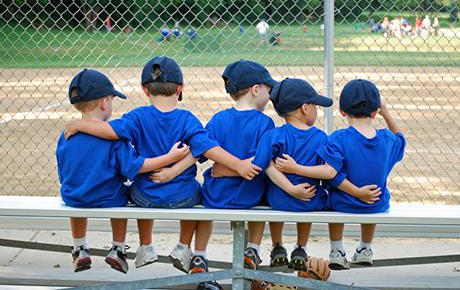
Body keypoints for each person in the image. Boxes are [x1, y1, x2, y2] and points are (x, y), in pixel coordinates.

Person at [63, 57, 260, 285]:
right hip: (182, 198)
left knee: (137, 187)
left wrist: (77, 124)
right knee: (198, 190)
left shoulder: (137, 116)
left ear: (145, 90)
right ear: (180, 89)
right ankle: (183, 247)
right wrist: (238, 165)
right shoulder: (187, 119)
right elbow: (206, 147)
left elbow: (109, 131)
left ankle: (145, 246)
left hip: (144, 198)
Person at [57, 69, 190, 274]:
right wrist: (170, 159)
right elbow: (134, 167)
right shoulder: (114, 139)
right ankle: (118, 248)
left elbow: (64, 171)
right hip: (107, 198)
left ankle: (80, 247)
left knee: (77, 192)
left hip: (73, 196)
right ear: (103, 103)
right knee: (123, 192)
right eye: (111, 100)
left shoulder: (66, 134)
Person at [275, 79, 405, 270]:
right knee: (375, 193)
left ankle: (337, 250)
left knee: (331, 199)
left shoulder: (338, 138)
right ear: (375, 111)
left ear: (342, 112)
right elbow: (401, 139)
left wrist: (356, 193)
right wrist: (386, 113)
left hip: (343, 204)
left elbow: (332, 175)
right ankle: (365, 248)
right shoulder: (387, 139)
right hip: (376, 205)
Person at [253, 79, 381, 272]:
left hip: (279, 199)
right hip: (309, 201)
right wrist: (299, 176)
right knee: (316, 195)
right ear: (305, 108)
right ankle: (301, 248)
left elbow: (266, 166)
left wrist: (289, 188)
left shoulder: (273, 135)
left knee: (270, 193)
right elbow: (329, 172)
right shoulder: (321, 137)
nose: (316, 110)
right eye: (315, 105)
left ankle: (278, 246)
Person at [201, 60, 277, 272]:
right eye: (267, 89)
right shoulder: (265, 122)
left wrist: (222, 169)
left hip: (216, 195)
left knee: (207, 187)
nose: (269, 95)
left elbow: (205, 150)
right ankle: (253, 248)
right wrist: (240, 168)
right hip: (250, 196)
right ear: (255, 89)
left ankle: (200, 255)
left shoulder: (219, 119)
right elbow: (258, 164)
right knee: (265, 190)